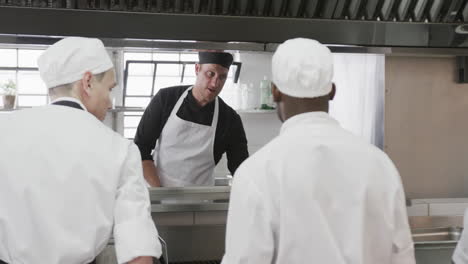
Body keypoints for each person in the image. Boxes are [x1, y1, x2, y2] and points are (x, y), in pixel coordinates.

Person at [222, 38, 416, 264]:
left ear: (275, 92)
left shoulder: (256, 173)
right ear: (332, 91)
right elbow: (402, 257)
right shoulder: (380, 165)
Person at [0, 37, 161, 264]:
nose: (110, 102)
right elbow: (138, 249)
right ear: (87, 82)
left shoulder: (4, 130)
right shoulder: (119, 149)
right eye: (109, 88)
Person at [134, 52, 249, 187]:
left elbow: (241, 169)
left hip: (201, 202)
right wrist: (159, 193)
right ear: (197, 69)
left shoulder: (230, 119)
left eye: (222, 77)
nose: (215, 83)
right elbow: (140, 148)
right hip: (157, 197)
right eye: (210, 74)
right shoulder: (166, 99)